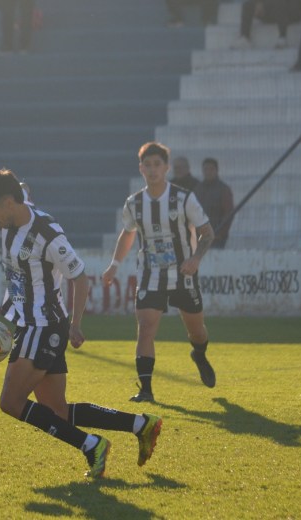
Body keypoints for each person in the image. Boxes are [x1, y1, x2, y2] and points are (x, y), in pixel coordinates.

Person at [0, 168, 163, 479]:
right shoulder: (12, 214)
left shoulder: (47, 235)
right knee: (56, 412)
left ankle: (91, 445)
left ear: (8, 202)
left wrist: (75, 324)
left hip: (43, 326)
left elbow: (79, 277)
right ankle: (141, 425)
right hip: (30, 324)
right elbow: (22, 189)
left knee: (10, 402)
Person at [102, 142, 217, 403]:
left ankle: (199, 354)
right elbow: (127, 234)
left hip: (183, 275)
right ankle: (146, 390)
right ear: (141, 168)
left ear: (166, 167)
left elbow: (207, 232)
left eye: (158, 165)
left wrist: (196, 258)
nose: (152, 170)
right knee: (145, 328)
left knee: (197, 331)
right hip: (150, 274)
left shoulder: (184, 198)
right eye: (147, 165)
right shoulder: (134, 203)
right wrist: (114, 265)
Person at [195, 157, 234, 249]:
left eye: (211, 169)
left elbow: (228, 213)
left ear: (217, 170)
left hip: (217, 237)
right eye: (206, 169)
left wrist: (221, 233)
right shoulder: (197, 189)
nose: (208, 172)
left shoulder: (224, 190)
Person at [233, 0, 301, 49]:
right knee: (247, 5)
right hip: (273, 11)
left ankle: (282, 38)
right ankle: (245, 38)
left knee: (279, 2)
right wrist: (259, 2)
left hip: (292, 11)